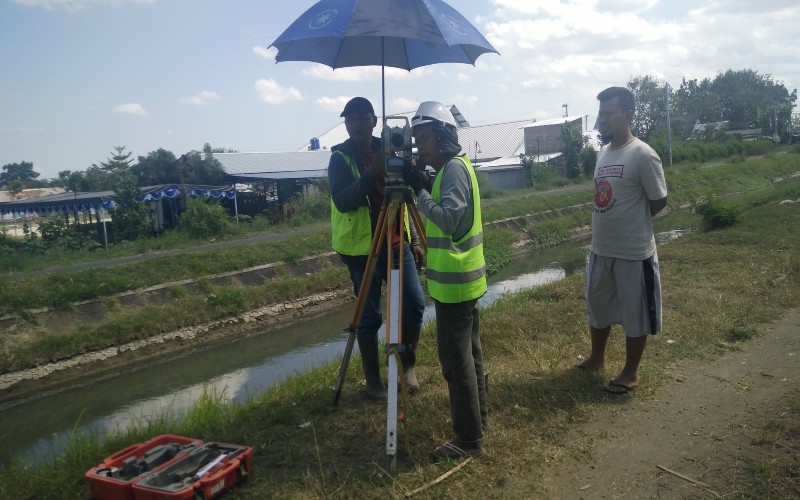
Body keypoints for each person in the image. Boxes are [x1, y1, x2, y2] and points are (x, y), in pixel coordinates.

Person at [328, 97, 427, 400]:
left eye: (362, 117)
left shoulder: (391, 148)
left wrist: (415, 240)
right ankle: (373, 382)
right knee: (370, 317)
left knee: (414, 303)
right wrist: (373, 173)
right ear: (346, 124)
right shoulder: (340, 158)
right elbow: (344, 201)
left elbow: (408, 191)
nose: (356, 123)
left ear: (375, 121)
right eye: (350, 118)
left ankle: (405, 366)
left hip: (397, 242)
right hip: (363, 250)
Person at [576, 86, 668, 395]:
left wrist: (634, 224)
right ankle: (597, 358)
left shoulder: (643, 154)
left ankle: (630, 372)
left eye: (609, 114)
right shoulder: (603, 153)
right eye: (600, 114)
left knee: (635, 312)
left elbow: (659, 200)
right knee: (598, 306)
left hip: (633, 252)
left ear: (628, 115)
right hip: (601, 249)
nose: (602, 120)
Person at [409, 101, 488, 459]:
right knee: (470, 357)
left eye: (423, 138)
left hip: (455, 284)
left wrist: (419, 193)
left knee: (457, 364)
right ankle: (478, 421)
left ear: (442, 136)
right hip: (460, 282)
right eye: (416, 139)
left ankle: (469, 439)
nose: (419, 146)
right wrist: (427, 184)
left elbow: (451, 221)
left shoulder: (453, 169)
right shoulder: (450, 170)